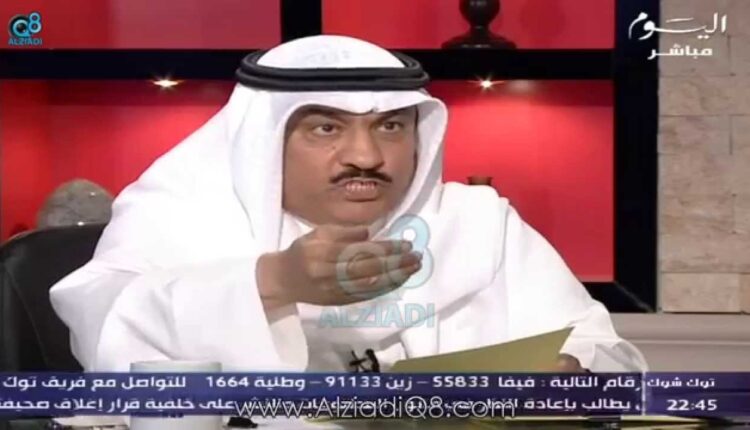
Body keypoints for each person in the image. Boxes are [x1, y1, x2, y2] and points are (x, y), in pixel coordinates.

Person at [49, 35, 647, 373]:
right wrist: (272, 282)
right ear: (264, 141)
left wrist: (566, 374)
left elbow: (605, 352)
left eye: (391, 127)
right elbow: (103, 330)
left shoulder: (477, 225)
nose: (366, 156)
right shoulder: (179, 216)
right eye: (326, 128)